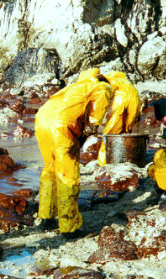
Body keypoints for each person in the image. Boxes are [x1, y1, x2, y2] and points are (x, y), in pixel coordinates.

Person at [35, 68, 113, 238]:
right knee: (67, 174)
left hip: (42, 120)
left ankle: (46, 217)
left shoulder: (74, 87)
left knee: (50, 169)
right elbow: (98, 109)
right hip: (62, 125)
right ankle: (69, 227)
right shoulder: (101, 86)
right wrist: (93, 125)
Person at [97, 71, 142, 166]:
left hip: (120, 100)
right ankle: (130, 158)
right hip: (136, 99)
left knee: (110, 133)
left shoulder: (100, 83)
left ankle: (103, 162)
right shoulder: (118, 78)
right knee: (126, 131)